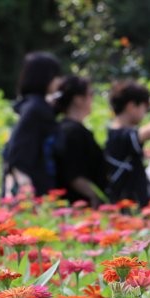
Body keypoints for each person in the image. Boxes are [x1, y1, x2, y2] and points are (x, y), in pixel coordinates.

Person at [2, 52, 62, 198]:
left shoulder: (31, 104)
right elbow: (18, 149)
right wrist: (24, 184)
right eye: (56, 76)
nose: (59, 81)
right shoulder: (35, 108)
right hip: (32, 186)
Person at [104, 81, 150, 207]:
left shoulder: (115, 134)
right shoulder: (120, 135)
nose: (145, 113)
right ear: (131, 106)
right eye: (145, 108)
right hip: (127, 204)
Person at [52, 76, 107, 207]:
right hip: (79, 206)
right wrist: (96, 196)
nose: (92, 99)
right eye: (91, 94)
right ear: (78, 99)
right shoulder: (72, 132)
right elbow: (74, 174)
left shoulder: (70, 129)